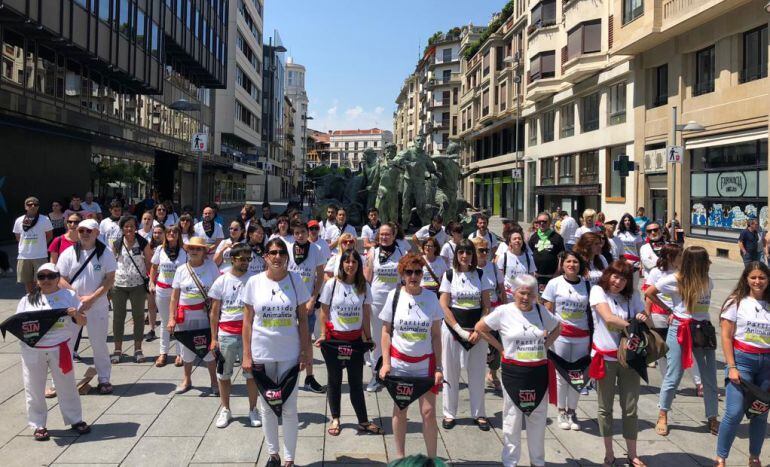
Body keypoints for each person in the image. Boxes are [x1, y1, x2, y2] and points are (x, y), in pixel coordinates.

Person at [475, 274, 561, 467]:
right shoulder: (503, 311)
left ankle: (537, 462)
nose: (525, 297)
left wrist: (545, 346)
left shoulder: (540, 311)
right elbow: (480, 328)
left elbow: (557, 328)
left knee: (538, 418)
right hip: (514, 371)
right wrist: (500, 348)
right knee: (512, 417)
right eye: (522, 293)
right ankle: (510, 461)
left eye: (530, 294)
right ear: (514, 292)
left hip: (538, 371)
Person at [242, 238, 312, 467]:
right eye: (273, 252)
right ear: (265, 256)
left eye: (282, 252)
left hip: (289, 353)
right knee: (267, 407)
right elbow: (247, 322)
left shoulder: (296, 281)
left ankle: (289, 459)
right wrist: (246, 355)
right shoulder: (254, 282)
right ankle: (273, 455)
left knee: (290, 408)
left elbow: (303, 320)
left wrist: (305, 352)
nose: (278, 256)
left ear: (287, 256)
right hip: (262, 352)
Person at [645, 246, 719, 437]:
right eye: (705, 260)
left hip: (703, 330)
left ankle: (712, 416)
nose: (709, 263)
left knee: (709, 376)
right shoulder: (675, 279)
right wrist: (669, 310)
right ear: (696, 262)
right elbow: (650, 292)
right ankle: (663, 414)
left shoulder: (708, 281)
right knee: (674, 373)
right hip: (681, 328)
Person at [379, 253, 444, 460]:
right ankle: (399, 458)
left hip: (425, 364)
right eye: (409, 272)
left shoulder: (431, 298)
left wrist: (439, 368)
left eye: (417, 272)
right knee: (401, 409)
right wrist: (386, 363)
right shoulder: (394, 296)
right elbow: (386, 331)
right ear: (402, 274)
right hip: (400, 364)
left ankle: (432, 460)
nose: (413, 276)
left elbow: (436, 335)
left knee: (428, 413)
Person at [15, 263, 90, 441]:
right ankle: (38, 424)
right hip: (33, 351)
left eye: (51, 276)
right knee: (34, 387)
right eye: (42, 276)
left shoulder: (69, 295)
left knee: (67, 385)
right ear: (37, 280)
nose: (46, 280)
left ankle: (75, 419)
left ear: (58, 278)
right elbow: (18, 326)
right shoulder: (28, 300)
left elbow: (83, 322)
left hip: (60, 348)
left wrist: (75, 315)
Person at [316, 249, 382, 436]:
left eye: (354, 262)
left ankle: (362, 421)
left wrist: (368, 338)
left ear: (359, 265)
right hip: (334, 340)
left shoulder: (363, 286)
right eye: (347, 261)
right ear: (341, 264)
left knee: (356, 382)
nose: (350, 265)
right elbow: (324, 311)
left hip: (354, 341)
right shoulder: (331, 285)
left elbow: (366, 314)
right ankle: (335, 418)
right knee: (334, 381)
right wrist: (323, 333)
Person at [589, 260, 648, 467]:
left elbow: (646, 318)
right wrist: (631, 325)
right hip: (605, 357)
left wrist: (642, 316)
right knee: (605, 408)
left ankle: (632, 454)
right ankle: (609, 453)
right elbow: (608, 318)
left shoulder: (633, 297)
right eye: (615, 276)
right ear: (608, 276)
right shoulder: (598, 291)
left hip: (629, 359)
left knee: (630, 408)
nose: (618, 282)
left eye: (623, 278)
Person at [715, 261, 770, 467]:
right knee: (734, 411)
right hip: (742, 361)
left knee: (759, 413)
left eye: (762, 277)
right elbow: (726, 336)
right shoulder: (735, 301)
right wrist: (731, 367)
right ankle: (721, 457)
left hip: (766, 366)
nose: (758, 281)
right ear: (746, 279)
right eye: (753, 277)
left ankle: (754, 457)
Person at [57, 219, 117, 394]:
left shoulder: (105, 253)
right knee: (66, 344)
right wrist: (77, 298)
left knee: (98, 343)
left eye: (88, 231)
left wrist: (91, 298)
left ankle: (104, 378)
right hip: (73, 307)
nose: (84, 233)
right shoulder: (68, 253)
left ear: (97, 233)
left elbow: (109, 279)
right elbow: (60, 278)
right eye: (81, 230)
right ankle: (59, 381)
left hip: (97, 306)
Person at [438, 239, 493, 430]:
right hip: (453, 331)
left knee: (477, 374)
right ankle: (449, 414)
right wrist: (459, 330)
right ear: (456, 254)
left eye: (468, 253)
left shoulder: (480, 274)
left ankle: (479, 414)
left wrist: (479, 329)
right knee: (450, 373)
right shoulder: (449, 275)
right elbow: (444, 305)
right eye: (461, 252)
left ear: (473, 255)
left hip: (477, 333)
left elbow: (487, 305)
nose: (464, 256)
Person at [208, 243, 261, 429]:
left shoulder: (255, 280)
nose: (246, 262)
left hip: (249, 334)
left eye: (248, 258)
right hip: (226, 334)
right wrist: (213, 338)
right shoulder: (221, 281)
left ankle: (253, 409)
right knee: (224, 374)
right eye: (242, 259)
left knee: (251, 374)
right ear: (232, 259)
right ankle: (226, 409)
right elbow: (214, 313)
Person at [542, 251, 590, 431]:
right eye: (568, 261)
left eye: (575, 262)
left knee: (578, 376)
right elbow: (548, 310)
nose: (572, 265)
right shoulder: (554, 284)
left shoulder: (587, 285)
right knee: (561, 375)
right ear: (563, 264)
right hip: (560, 335)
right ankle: (561, 410)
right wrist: (547, 333)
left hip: (582, 336)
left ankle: (572, 411)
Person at [167, 237, 220, 394]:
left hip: (206, 316)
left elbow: (218, 292)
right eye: (192, 248)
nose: (194, 251)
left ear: (204, 251)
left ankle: (214, 381)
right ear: (187, 250)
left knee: (209, 350)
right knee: (186, 350)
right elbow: (174, 297)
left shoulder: (211, 267)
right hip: (186, 316)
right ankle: (187, 379)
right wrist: (171, 317)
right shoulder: (181, 270)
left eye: (198, 249)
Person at [287, 220, 327, 394]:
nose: (300, 235)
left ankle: (309, 377)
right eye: (296, 233)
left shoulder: (316, 250)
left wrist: (313, 298)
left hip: (307, 302)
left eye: (303, 232)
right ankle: (288, 375)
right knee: (288, 338)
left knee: (307, 340)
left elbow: (320, 277)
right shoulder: (287, 249)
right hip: (289, 301)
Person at [364, 222, 406, 392]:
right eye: (381, 234)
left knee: (396, 338)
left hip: (395, 301)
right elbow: (367, 278)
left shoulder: (402, 252)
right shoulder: (373, 252)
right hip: (376, 301)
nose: (384, 237)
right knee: (376, 339)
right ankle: (376, 374)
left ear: (394, 235)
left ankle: (394, 373)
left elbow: (405, 278)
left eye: (388, 234)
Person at [110, 216, 152, 364]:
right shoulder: (116, 243)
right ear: (122, 228)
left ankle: (138, 349)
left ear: (136, 227)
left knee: (139, 317)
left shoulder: (142, 242)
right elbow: (111, 264)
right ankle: (117, 349)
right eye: (126, 226)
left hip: (138, 286)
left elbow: (149, 262)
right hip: (119, 285)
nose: (129, 229)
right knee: (118, 318)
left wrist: (151, 280)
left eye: (132, 226)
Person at [643, 244, 685, 377]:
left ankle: (698, 383)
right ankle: (667, 381)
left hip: (679, 317)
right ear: (669, 257)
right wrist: (648, 315)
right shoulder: (656, 272)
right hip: (660, 315)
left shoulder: (683, 272)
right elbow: (648, 295)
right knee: (662, 350)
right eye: (679, 255)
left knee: (683, 348)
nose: (682, 257)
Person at [150, 225, 186, 367]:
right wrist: (151, 283)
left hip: (179, 292)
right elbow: (153, 267)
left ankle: (180, 353)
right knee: (165, 322)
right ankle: (163, 353)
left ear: (179, 235)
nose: (172, 233)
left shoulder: (184, 252)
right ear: (165, 234)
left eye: (175, 232)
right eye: (169, 232)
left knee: (179, 321)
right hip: (162, 291)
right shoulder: (159, 250)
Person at [14, 196, 54, 294]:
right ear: (25, 207)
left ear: (38, 207)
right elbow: (18, 236)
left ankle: (40, 298)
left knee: (41, 280)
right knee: (27, 280)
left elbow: (49, 235)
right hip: (24, 255)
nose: (32, 206)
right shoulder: (19, 220)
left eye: (35, 204)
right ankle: (30, 298)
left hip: (40, 255)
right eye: (29, 204)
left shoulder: (44, 219)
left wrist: (40, 245)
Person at [528, 212, 565, 293]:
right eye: (539, 221)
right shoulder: (533, 237)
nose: (541, 223)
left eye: (544, 221)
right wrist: (532, 272)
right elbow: (529, 255)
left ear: (550, 222)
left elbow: (561, 256)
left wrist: (557, 273)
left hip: (552, 276)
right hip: (536, 276)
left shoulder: (557, 237)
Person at [497, 227, 537, 302]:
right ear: (510, 242)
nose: (517, 240)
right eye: (514, 239)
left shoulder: (529, 257)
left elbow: (532, 277)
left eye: (519, 238)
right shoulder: (503, 257)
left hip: (524, 296)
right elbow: (500, 279)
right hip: (508, 296)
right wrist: (503, 296)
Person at [616, 214, 644, 282]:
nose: (627, 222)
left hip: (634, 263)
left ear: (631, 222)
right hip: (623, 262)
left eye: (629, 220)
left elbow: (640, 250)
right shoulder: (618, 234)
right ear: (623, 222)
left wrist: (641, 264)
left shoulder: (637, 235)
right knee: (623, 283)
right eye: (625, 220)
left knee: (634, 285)